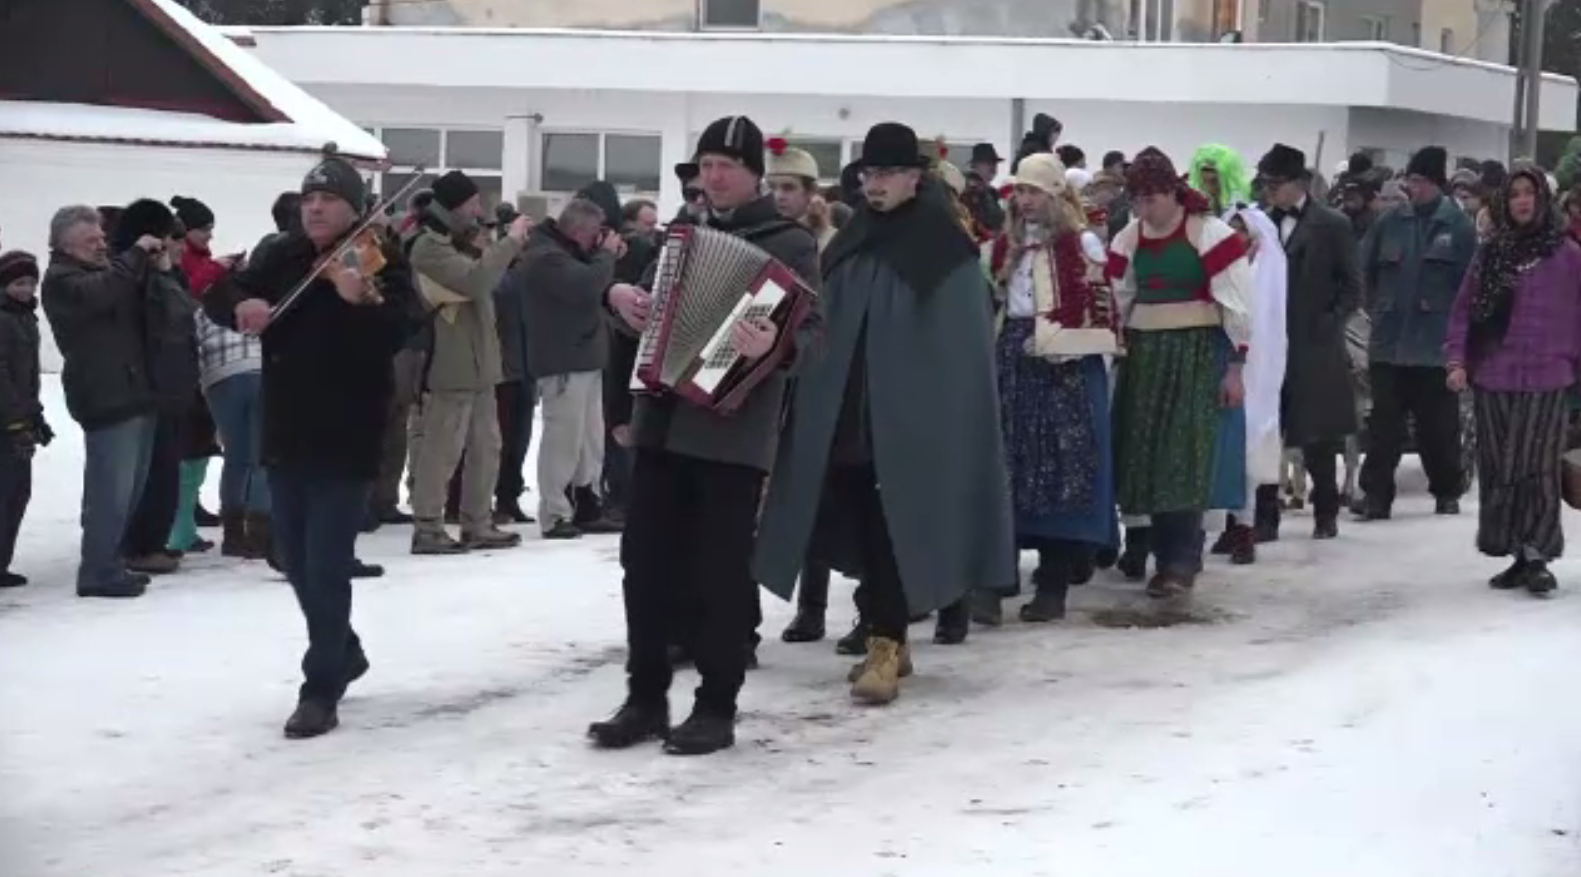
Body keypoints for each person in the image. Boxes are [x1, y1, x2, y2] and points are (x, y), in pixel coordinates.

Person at [755, 122, 1014, 705]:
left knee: (899, 526)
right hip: (847, 416)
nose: (875, 185)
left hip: (913, 425)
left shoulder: (945, 251)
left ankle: (886, 642)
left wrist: (927, 411)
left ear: (914, 177)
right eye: (868, 174)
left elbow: (959, 350)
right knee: (864, 525)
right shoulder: (852, 241)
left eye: (887, 174)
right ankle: (886, 636)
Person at [588, 115, 819, 756]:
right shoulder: (683, 235)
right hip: (664, 422)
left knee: (719, 568)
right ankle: (645, 695)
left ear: (753, 174)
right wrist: (623, 303)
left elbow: (813, 336)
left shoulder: (790, 244)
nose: (713, 176)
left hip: (732, 430)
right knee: (644, 562)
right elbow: (658, 323)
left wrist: (777, 340)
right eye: (706, 165)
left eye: (726, 165)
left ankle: (717, 702)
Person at [206, 156, 419, 739]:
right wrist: (238, 306)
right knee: (294, 559)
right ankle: (343, 648)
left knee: (325, 564)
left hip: (347, 432)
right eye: (308, 200)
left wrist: (359, 301)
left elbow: (401, 328)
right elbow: (222, 291)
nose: (316, 208)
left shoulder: (381, 261)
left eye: (327, 199)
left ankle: (320, 687)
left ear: (355, 207)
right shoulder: (281, 255)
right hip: (287, 427)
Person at [1105, 148, 1253, 597]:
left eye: (1151, 199)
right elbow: (1118, 298)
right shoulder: (1128, 239)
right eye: (1137, 200)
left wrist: (1234, 368)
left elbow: (1237, 306)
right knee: (1143, 454)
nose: (1143, 210)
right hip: (1146, 356)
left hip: (1195, 354)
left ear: (1172, 192)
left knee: (1185, 455)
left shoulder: (1210, 235)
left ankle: (1180, 560)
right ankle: (1147, 547)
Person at [979, 152, 1118, 621]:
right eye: (1019, 191)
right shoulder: (1005, 248)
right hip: (1013, 361)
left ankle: (1053, 580)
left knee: (1062, 466)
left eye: (1034, 191)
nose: (1025, 200)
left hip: (1064, 368)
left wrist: (1063, 344)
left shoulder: (1082, 246)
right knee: (1010, 463)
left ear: (1056, 195)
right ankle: (997, 577)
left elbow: (1103, 312)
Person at [1445, 167, 1581, 596]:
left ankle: (1538, 554)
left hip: (1548, 375)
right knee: (1500, 466)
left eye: (1530, 194)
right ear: (1504, 202)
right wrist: (1457, 360)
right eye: (1515, 194)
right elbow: (1464, 310)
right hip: (1494, 374)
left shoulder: (1568, 255)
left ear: (1543, 201)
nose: (1523, 201)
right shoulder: (1491, 253)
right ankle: (1518, 553)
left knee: (1537, 466)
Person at [42, 205, 165, 598]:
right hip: (106, 396)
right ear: (64, 244)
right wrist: (135, 255)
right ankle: (97, 571)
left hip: (134, 390)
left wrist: (156, 267)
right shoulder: (62, 280)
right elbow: (104, 293)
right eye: (90, 240)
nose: (100, 246)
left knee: (128, 490)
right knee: (108, 492)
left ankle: (110, 562)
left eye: (101, 238)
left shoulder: (104, 272)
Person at [407, 170, 530, 553]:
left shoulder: (459, 242)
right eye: (473, 203)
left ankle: (478, 521)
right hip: (449, 362)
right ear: (454, 206)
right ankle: (428, 524)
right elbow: (476, 282)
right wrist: (508, 244)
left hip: (479, 363)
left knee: (486, 446)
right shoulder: (428, 248)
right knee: (442, 448)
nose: (479, 210)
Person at [1357, 146, 1477, 519]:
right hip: (1390, 344)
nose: (1414, 187)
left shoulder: (1457, 228)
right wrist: (1378, 309)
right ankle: (1376, 496)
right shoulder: (1391, 222)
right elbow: (1365, 271)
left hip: (1433, 346)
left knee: (1438, 428)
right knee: (1383, 428)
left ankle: (1446, 490)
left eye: (1420, 181)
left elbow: (1470, 286)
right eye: (1411, 180)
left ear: (1437, 183)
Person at [521, 197, 623, 537]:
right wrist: (606, 256)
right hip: (562, 360)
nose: (601, 238)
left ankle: (587, 502)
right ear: (579, 231)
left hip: (584, 358)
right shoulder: (545, 256)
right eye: (596, 232)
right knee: (562, 440)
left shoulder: (566, 253)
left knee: (590, 439)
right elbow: (586, 286)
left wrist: (603, 255)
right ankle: (555, 512)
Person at [0, 251, 50, 588]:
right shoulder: (3, 318)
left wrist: (36, 416)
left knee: (18, 492)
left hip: (20, 417)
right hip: (6, 422)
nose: (26, 289)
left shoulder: (25, 317)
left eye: (31, 283)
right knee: (6, 492)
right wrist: (16, 421)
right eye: (19, 283)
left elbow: (28, 375)